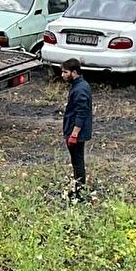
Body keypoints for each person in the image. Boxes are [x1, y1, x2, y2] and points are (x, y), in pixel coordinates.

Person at [61, 58, 93, 199]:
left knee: (78, 162)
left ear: (74, 72)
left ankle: (79, 193)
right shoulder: (79, 85)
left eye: (65, 72)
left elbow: (82, 113)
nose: (62, 75)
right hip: (75, 130)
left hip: (77, 132)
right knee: (76, 162)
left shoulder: (80, 89)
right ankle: (77, 189)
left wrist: (74, 134)